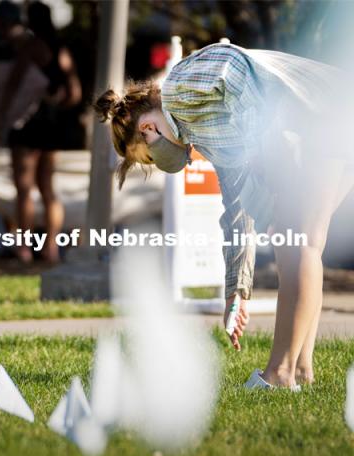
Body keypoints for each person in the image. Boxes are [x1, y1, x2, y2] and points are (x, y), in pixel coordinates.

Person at [94, 42, 354, 389]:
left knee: (300, 242)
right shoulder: (203, 135)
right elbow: (237, 213)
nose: (158, 162)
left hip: (320, 112)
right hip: (328, 116)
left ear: (146, 130)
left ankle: (279, 375)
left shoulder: (179, 86)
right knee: (300, 241)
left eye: (149, 159)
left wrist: (264, 145)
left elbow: (232, 64)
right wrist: (236, 291)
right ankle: (301, 370)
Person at [0, 1, 82, 263]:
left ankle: (24, 247)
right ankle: (50, 247)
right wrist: (55, 102)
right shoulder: (62, 52)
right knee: (48, 188)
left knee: (24, 187)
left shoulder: (30, 48)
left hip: (27, 125)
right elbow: (74, 94)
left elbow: (13, 85)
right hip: (52, 126)